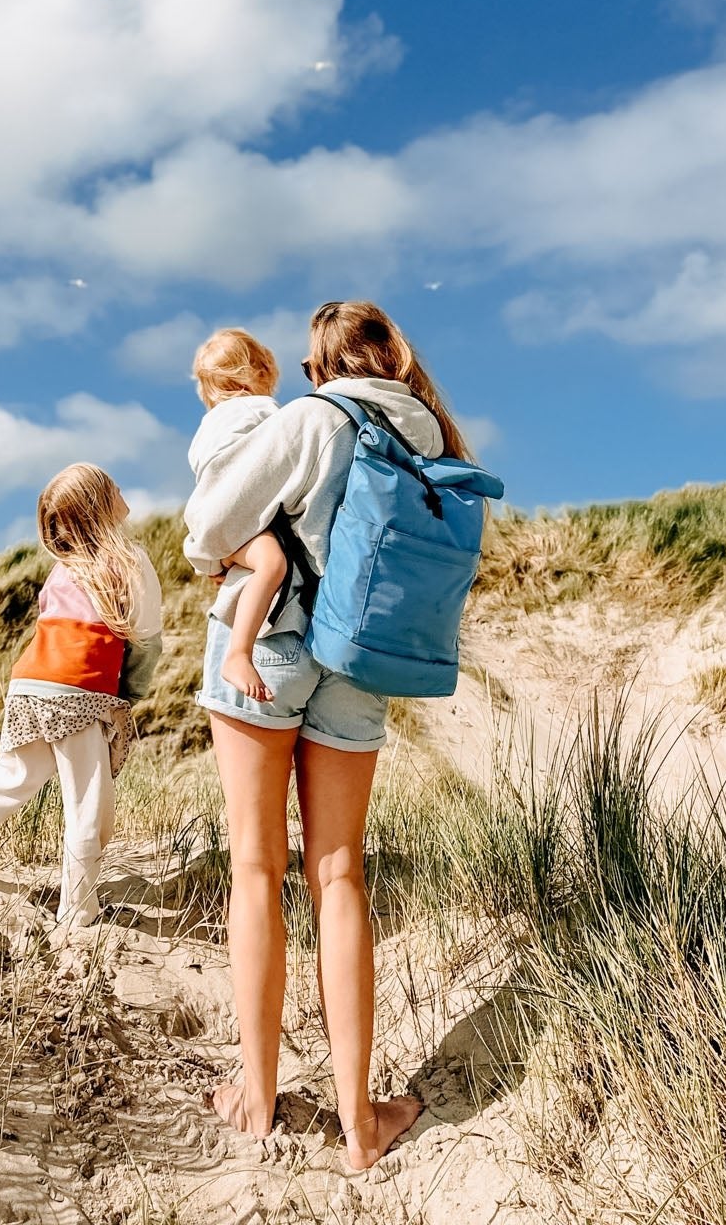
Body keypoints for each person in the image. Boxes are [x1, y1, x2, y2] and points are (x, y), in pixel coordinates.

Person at [183, 300, 470, 1171]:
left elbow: (206, 528)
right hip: (362, 661)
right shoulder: (433, 436)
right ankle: (359, 1125)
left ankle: (257, 1098)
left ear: (319, 365)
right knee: (340, 874)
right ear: (395, 354)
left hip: (270, 648)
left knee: (256, 866)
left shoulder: (313, 417)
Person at [0, 464, 163, 928]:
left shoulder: (62, 571)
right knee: (87, 803)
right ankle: (78, 913)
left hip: (29, 685)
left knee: (9, 778)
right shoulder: (129, 561)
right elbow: (147, 639)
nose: (124, 489)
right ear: (101, 506)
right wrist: (130, 694)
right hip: (77, 692)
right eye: (114, 485)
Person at [187, 328, 286, 704]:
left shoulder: (206, 426)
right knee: (272, 564)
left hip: (208, 524)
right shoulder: (263, 409)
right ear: (260, 371)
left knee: (249, 560)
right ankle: (239, 653)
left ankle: (221, 562)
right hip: (236, 516)